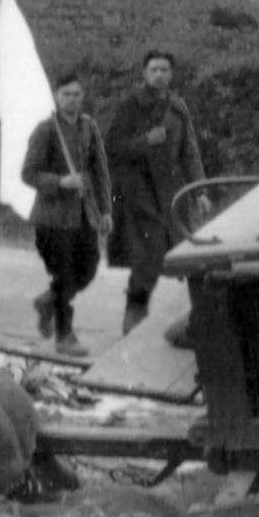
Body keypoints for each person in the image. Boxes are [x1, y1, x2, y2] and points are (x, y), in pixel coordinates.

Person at [105, 50, 210, 342]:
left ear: (171, 74)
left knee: (184, 251)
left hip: (168, 189)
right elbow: (112, 147)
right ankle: (134, 313)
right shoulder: (131, 106)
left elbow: (189, 151)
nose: (159, 74)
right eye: (154, 69)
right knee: (148, 253)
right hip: (136, 190)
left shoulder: (177, 107)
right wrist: (144, 142)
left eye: (165, 69)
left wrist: (199, 190)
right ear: (144, 73)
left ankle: (200, 316)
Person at [21, 70, 113, 358]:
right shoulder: (46, 130)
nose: (72, 100)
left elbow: (100, 172)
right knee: (64, 275)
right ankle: (64, 335)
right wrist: (60, 182)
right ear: (56, 97)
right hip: (53, 217)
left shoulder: (88, 128)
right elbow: (28, 173)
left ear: (83, 97)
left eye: (76, 94)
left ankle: (48, 302)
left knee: (87, 269)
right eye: (66, 94)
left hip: (84, 214)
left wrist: (106, 210)